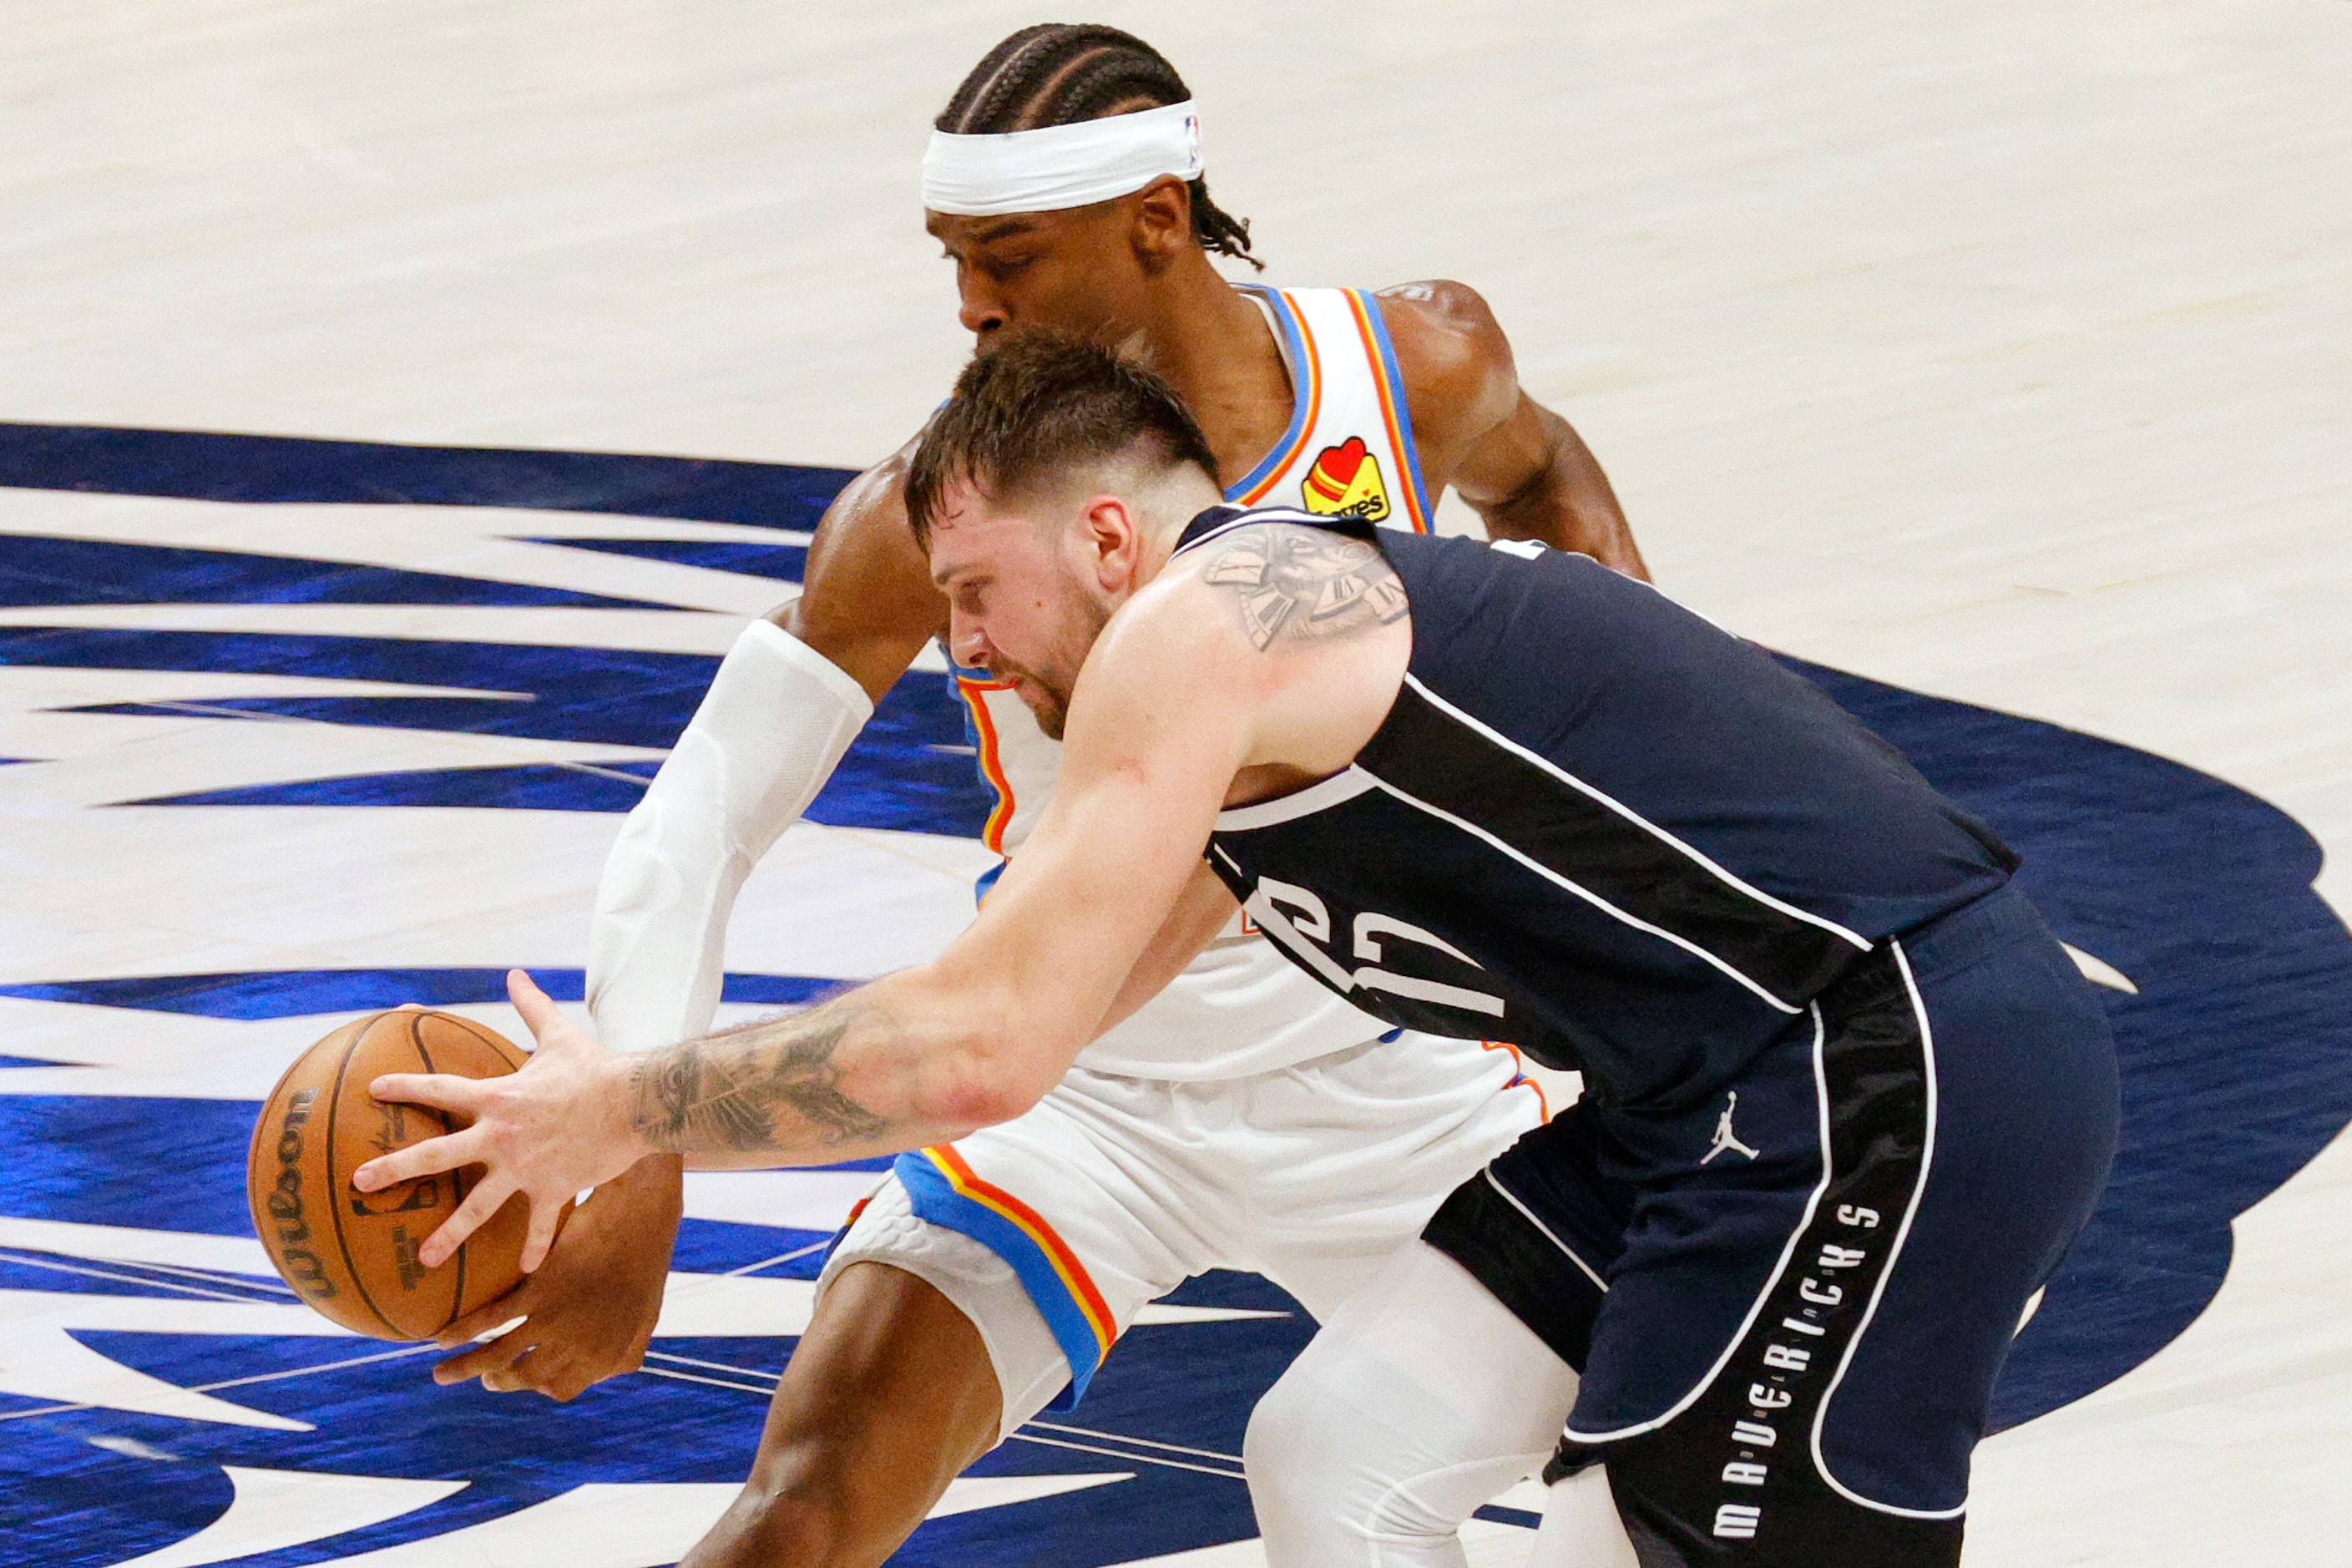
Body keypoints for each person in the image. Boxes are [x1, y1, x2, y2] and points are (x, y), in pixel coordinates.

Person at [358, 333, 2120, 1568]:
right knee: (1335, 1451)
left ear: (1108, 537)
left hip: (1887, 1069)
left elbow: (972, 1048)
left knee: (1617, 1541)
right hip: (1702, 1099)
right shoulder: (1248, 727)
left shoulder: (1203, 629)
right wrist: (641, 1119)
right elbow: (1032, 1029)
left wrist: (625, 1115)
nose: (958, 650)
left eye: (974, 593)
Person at [419, 22, 1646, 1568]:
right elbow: (701, 818)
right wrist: (637, 1163)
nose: (968, 301)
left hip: (1409, 1074)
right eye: (949, 255)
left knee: (1651, 1498)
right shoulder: (929, 512)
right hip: (1082, 1089)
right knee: (797, 1515)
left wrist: (1619, 721)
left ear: (1152, 222)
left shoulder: (1408, 365)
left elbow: (1539, 475)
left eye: (1006, 253)